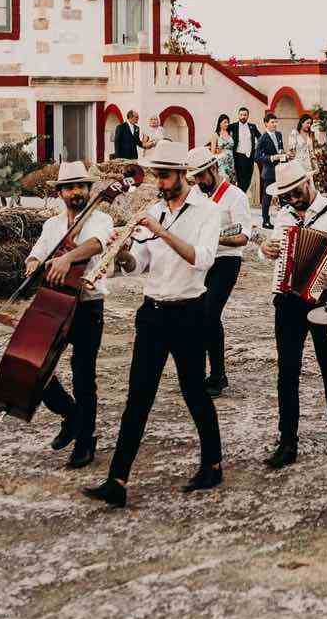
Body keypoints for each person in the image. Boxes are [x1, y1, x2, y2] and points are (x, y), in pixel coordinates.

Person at [82, 142, 226, 508]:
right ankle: (117, 480)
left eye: (164, 175)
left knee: (194, 392)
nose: (159, 183)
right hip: (153, 313)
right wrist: (124, 252)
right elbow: (141, 264)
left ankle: (213, 462)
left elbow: (202, 259)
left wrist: (160, 232)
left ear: (182, 174)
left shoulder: (208, 212)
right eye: (157, 175)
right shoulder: (156, 210)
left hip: (190, 312)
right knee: (138, 397)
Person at [260, 159, 327, 469]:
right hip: (288, 299)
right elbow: (273, 253)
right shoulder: (283, 216)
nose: (291, 200)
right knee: (287, 370)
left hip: (324, 299)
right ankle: (288, 440)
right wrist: (266, 250)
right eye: (285, 196)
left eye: (294, 193)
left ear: (309, 182)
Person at [25, 161, 114, 469]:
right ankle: (71, 415)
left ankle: (86, 440)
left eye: (82, 186)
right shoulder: (52, 225)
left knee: (83, 375)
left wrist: (68, 259)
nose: (77, 192)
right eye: (70, 187)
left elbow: (95, 244)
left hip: (88, 304)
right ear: (60, 192)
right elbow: (37, 252)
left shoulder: (101, 218)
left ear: (89, 190)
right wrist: (34, 263)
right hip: (54, 302)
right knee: (36, 366)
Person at [193, 142, 253, 398]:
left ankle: (218, 374)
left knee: (210, 313)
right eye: (194, 177)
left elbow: (243, 236)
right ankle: (199, 372)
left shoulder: (235, 196)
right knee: (196, 316)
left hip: (227, 260)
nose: (198, 181)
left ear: (214, 168)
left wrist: (215, 238)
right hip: (202, 259)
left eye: (201, 175)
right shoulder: (195, 195)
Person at [255, 113, 288, 229]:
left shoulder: (279, 135)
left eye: (276, 122)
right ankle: (266, 221)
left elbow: (281, 149)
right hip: (269, 172)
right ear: (266, 124)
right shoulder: (262, 138)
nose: (275, 124)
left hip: (280, 171)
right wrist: (271, 158)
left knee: (283, 196)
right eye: (272, 122)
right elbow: (257, 156)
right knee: (267, 198)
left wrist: (284, 155)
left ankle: (286, 219)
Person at [228, 107, 260, 196]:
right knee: (241, 179)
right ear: (238, 115)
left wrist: (258, 150)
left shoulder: (252, 126)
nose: (243, 117)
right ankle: (240, 196)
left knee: (248, 179)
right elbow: (222, 131)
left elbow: (260, 138)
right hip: (239, 156)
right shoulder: (233, 126)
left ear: (248, 116)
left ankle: (241, 195)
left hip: (250, 156)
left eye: (245, 115)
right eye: (241, 115)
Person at [210, 113, 237, 186]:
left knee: (232, 183)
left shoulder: (230, 134)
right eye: (225, 122)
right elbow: (212, 153)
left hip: (231, 162)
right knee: (224, 183)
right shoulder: (216, 135)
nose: (227, 124)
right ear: (220, 123)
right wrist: (217, 151)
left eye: (228, 122)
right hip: (222, 163)